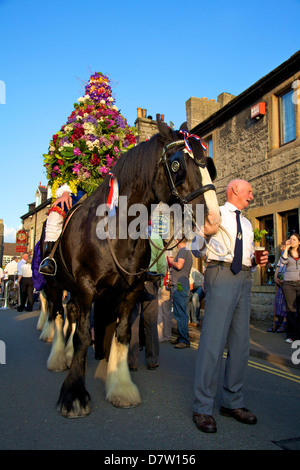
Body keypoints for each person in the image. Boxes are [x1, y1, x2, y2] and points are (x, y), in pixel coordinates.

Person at [192, 179, 268, 433]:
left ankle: (232, 403)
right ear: (235, 189)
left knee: (240, 344)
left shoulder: (246, 223)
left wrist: (256, 261)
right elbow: (195, 248)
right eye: (249, 191)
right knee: (213, 343)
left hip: (244, 277)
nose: (252, 196)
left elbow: (244, 257)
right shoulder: (214, 214)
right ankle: (203, 407)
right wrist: (205, 234)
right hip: (220, 273)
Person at [128, 231, 167, 370]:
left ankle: (132, 362)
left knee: (133, 323)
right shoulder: (156, 237)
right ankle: (152, 360)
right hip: (151, 281)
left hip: (134, 282)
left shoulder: (132, 236)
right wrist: (161, 283)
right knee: (150, 323)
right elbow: (162, 263)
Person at [168, 238, 193, 349]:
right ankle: (181, 337)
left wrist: (170, 260)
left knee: (180, 313)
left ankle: (184, 340)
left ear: (178, 240)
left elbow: (179, 265)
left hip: (180, 286)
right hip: (181, 285)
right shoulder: (187, 251)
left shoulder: (183, 251)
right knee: (179, 312)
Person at [280, 233, 300, 343]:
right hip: (288, 284)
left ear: (299, 242)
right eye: (290, 239)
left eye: (294, 239)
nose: (292, 241)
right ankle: (291, 335)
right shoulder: (286, 252)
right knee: (291, 309)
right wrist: (286, 248)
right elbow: (283, 262)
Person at [267, 246, 287, 333]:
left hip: (287, 280)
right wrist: (275, 277)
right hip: (279, 280)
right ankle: (276, 323)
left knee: (285, 303)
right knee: (277, 302)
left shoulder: (293, 254)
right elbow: (278, 266)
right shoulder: (283, 254)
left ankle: (284, 323)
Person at [157, 265, 173, 342]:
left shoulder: (153, 256)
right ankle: (167, 336)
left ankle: (160, 337)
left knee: (159, 312)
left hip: (158, 285)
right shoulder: (167, 258)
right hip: (166, 286)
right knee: (167, 313)